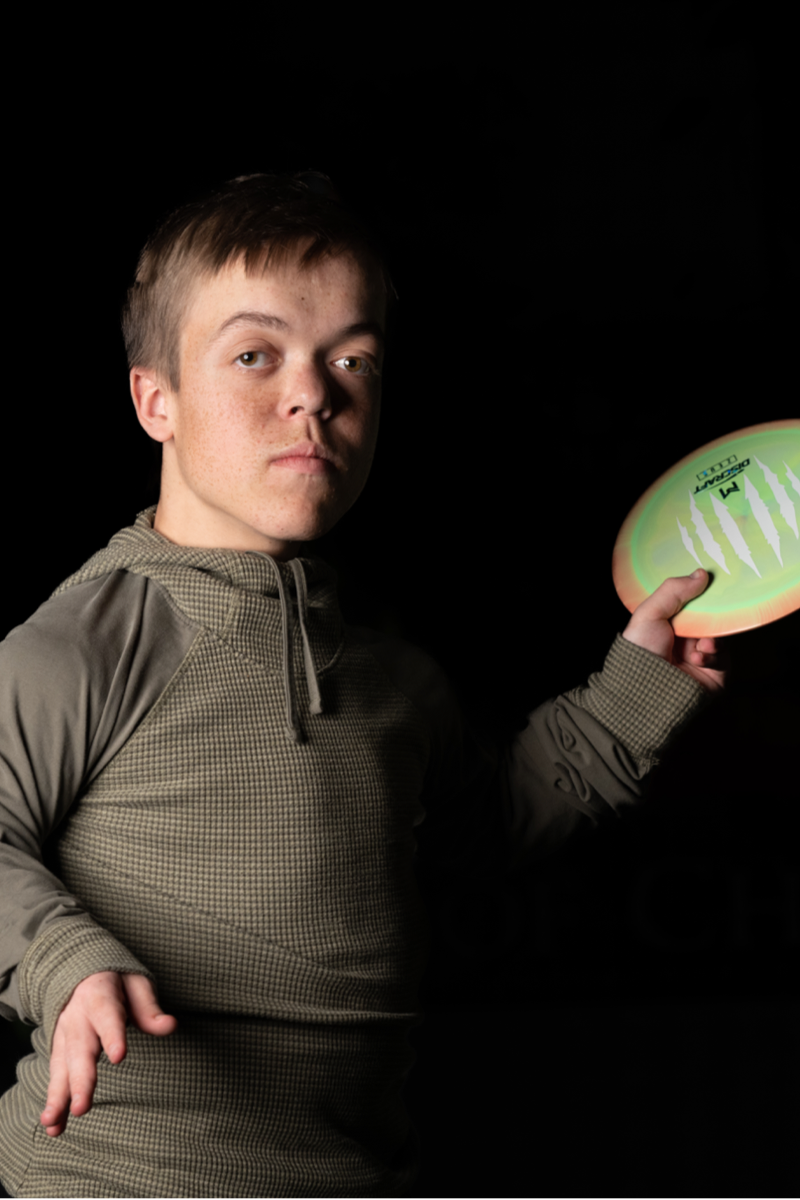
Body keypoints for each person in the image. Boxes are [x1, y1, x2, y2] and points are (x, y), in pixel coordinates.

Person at [0, 171, 727, 1200]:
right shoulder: (91, 640)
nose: (314, 393)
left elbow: (490, 827)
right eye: (254, 355)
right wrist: (63, 962)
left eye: (351, 358)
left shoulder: (394, 675)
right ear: (155, 400)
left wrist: (636, 685)